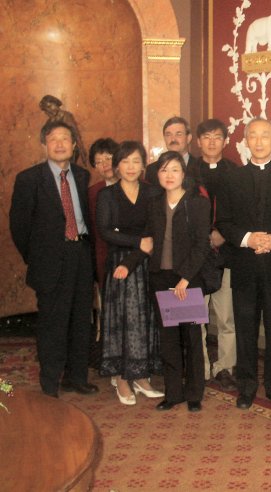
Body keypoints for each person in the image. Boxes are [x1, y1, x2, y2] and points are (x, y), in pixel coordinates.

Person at [9, 120, 98, 398]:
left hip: (81, 254)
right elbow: (19, 226)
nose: (60, 144)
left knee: (81, 320)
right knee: (52, 324)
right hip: (49, 260)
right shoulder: (29, 179)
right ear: (44, 145)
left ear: (73, 145)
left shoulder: (82, 176)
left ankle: (77, 377)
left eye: (65, 139)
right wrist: (37, 257)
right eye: (53, 139)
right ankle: (50, 383)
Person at [216, 118, 271, 410]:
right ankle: (246, 387)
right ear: (245, 142)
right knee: (245, 329)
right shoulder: (231, 178)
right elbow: (223, 221)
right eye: (253, 136)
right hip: (245, 266)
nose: (259, 141)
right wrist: (248, 238)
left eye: (265, 136)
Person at [139, 151, 211, 412]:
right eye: (164, 170)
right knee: (168, 338)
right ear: (157, 175)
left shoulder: (198, 203)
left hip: (188, 279)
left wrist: (186, 278)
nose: (169, 175)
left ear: (184, 174)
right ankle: (173, 392)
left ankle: (194, 393)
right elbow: (148, 239)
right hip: (161, 276)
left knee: (191, 336)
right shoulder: (154, 203)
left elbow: (202, 245)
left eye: (174, 170)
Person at [96, 141, 164, 405]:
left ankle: (141, 376)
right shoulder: (108, 195)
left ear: (144, 164)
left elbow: (154, 230)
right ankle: (122, 379)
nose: (131, 167)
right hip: (120, 265)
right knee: (123, 321)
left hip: (147, 262)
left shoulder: (152, 193)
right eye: (125, 161)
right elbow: (105, 231)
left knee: (145, 319)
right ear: (117, 166)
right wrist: (137, 242)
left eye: (136, 161)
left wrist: (139, 246)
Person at [195, 118, 239, 390]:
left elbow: (242, 211)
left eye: (217, 137)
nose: (212, 142)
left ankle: (225, 366)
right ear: (198, 141)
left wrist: (224, 233)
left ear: (226, 141)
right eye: (206, 137)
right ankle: (199, 366)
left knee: (226, 316)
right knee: (194, 316)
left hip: (226, 253)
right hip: (194, 258)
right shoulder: (187, 171)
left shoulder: (236, 173)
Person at [88, 138, 119, 288]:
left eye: (108, 158)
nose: (105, 164)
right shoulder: (92, 193)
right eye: (99, 161)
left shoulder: (142, 187)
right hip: (105, 257)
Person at [145, 116, 207, 188]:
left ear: (189, 138)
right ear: (164, 138)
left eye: (178, 134)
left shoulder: (201, 168)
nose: (173, 139)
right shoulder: (152, 170)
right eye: (168, 134)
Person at [39, 95, 88, 167]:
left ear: (55, 103)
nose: (49, 111)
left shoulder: (66, 116)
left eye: (50, 106)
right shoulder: (49, 121)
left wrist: (82, 151)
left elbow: (75, 134)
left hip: (69, 150)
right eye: (46, 109)